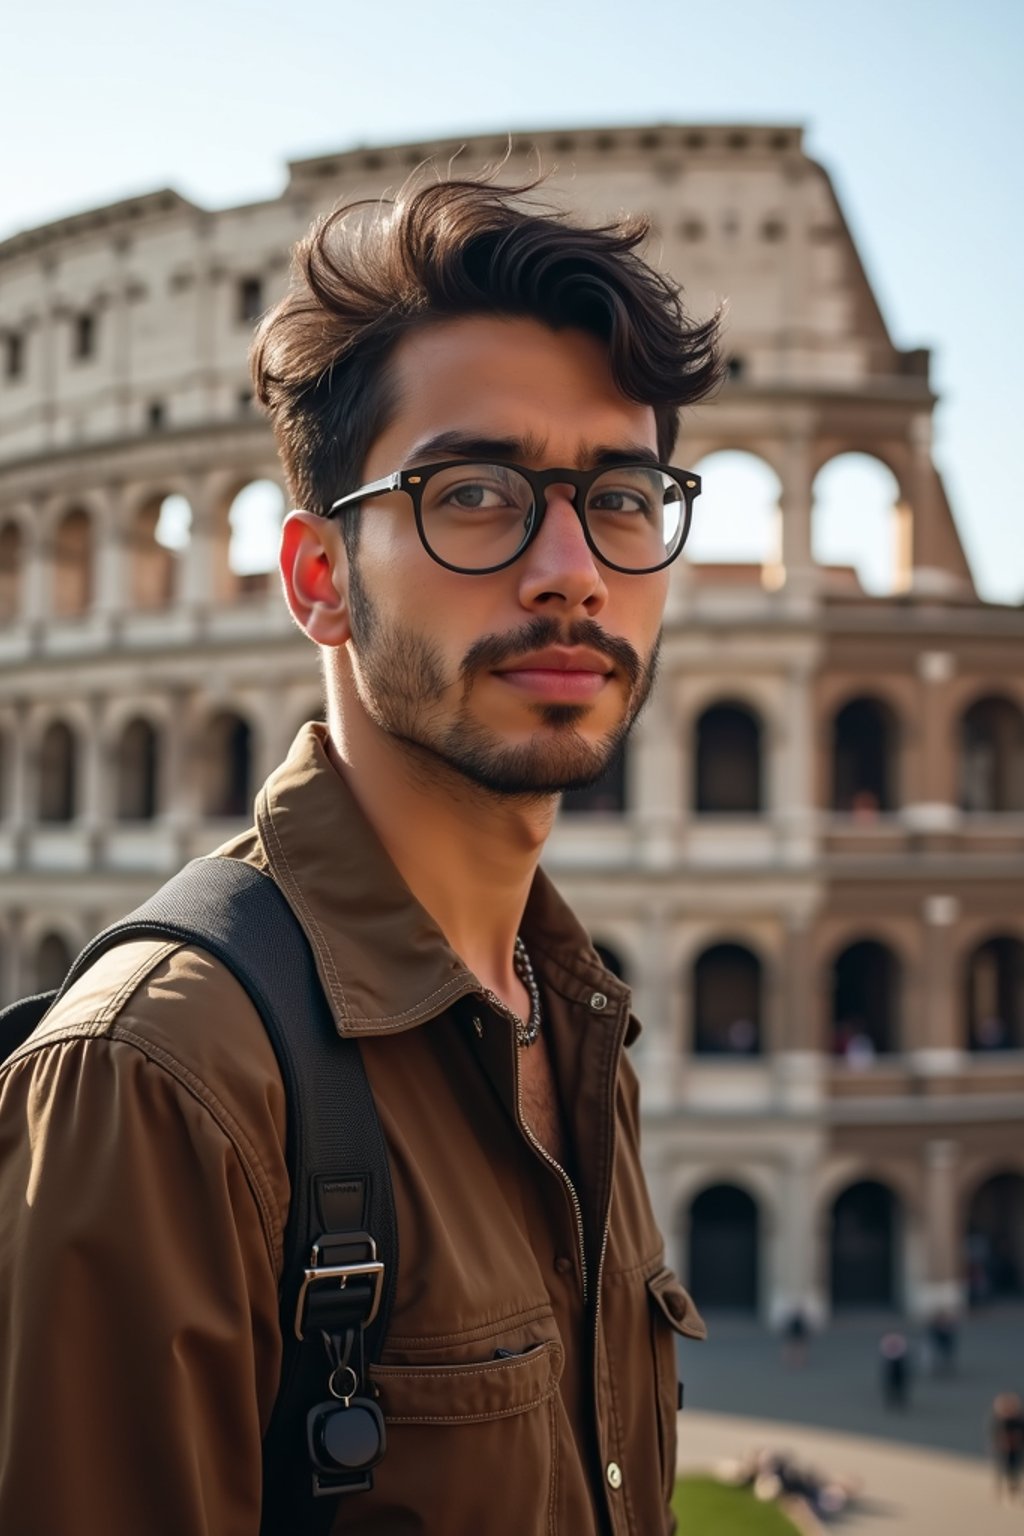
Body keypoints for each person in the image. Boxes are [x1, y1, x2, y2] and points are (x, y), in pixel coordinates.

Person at [0, 176, 722, 1534]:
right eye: (477, 492)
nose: (570, 568)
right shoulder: (160, 1076)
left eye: (622, 495)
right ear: (318, 578)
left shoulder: (568, 1019)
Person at [990, 1391, 1024, 1503]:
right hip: (1004, 1452)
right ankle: (1004, 1492)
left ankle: (1015, 1491)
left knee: (1015, 1472)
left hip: (1016, 1451)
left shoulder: (1018, 1421)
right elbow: (995, 1435)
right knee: (1003, 1471)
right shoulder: (1000, 1421)